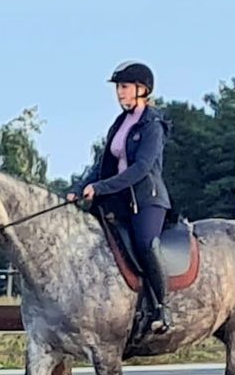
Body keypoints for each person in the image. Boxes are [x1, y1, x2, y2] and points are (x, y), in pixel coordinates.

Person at [68, 60, 173, 334]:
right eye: (118, 88)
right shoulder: (120, 123)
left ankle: (162, 308)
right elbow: (102, 165)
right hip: (119, 200)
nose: (119, 93)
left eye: (124, 87)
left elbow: (141, 168)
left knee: (146, 244)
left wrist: (101, 188)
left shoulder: (153, 125)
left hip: (147, 199)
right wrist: (80, 187)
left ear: (142, 89)